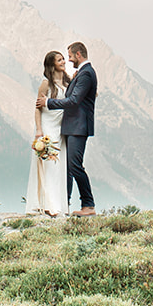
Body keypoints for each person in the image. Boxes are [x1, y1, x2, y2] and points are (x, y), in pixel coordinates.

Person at [37, 41, 96, 216]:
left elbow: (73, 101)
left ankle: (88, 204)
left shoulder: (86, 74)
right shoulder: (81, 74)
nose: (69, 61)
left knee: (75, 165)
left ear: (78, 54)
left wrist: (48, 102)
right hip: (71, 127)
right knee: (69, 168)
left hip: (78, 126)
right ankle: (65, 203)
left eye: (69, 56)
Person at [25, 51, 69, 216]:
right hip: (48, 127)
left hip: (61, 127)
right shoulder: (46, 84)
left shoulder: (67, 81)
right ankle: (48, 205)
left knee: (59, 166)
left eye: (63, 58)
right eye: (59, 60)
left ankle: (58, 204)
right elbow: (38, 108)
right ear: (52, 65)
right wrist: (39, 130)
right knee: (49, 165)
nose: (63, 61)